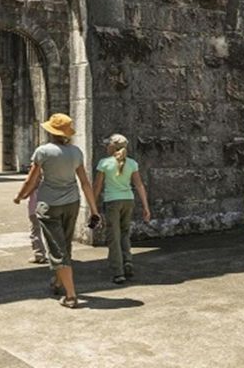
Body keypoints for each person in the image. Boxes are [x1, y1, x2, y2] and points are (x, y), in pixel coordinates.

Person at [13, 113, 100, 309]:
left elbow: (31, 180)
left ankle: (70, 295)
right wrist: (94, 210)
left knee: (56, 248)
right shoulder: (76, 152)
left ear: (51, 131)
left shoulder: (43, 152)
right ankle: (59, 281)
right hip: (72, 203)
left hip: (49, 205)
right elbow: (85, 182)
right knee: (64, 243)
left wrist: (20, 196)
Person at [93, 133, 151, 284]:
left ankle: (118, 271)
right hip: (128, 200)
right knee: (125, 233)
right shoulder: (132, 163)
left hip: (112, 201)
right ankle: (127, 261)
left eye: (108, 144)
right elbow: (139, 185)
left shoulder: (104, 163)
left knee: (113, 236)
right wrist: (146, 206)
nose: (107, 146)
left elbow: (97, 186)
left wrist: (93, 205)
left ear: (112, 146)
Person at [26, 189, 48, 264]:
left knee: (35, 231)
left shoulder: (34, 177)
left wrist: (19, 197)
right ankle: (58, 254)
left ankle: (39, 254)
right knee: (52, 231)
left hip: (35, 208)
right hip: (49, 207)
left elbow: (28, 187)